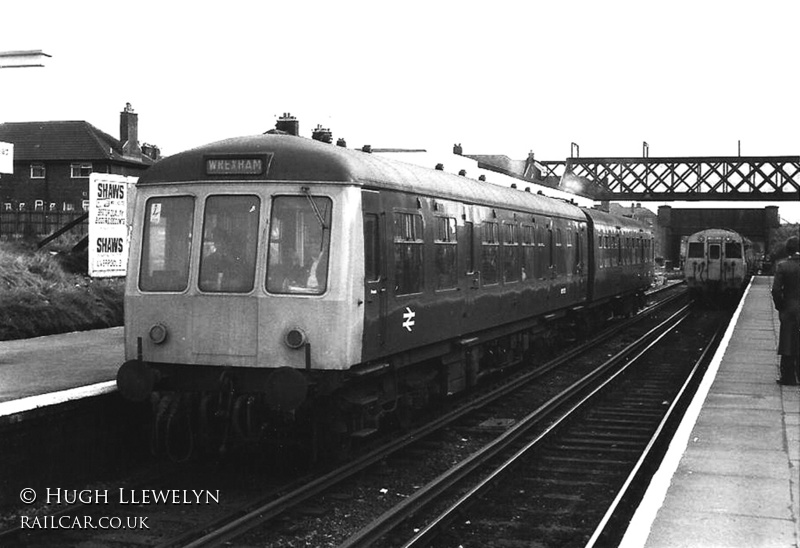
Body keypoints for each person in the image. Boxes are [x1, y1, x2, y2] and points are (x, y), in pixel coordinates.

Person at [771, 235, 800, 385]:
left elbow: (775, 290)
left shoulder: (783, 266)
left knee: (788, 342)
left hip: (788, 309)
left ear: (788, 249)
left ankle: (788, 377)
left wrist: (780, 305)